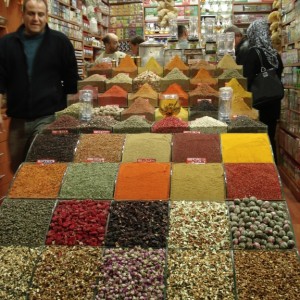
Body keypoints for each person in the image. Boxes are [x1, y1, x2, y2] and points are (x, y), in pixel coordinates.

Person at [0, 0, 79, 173]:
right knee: (18, 169)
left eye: (40, 14)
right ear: (23, 14)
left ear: (47, 16)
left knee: (43, 165)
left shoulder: (60, 42)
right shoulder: (6, 44)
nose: (36, 18)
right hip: (18, 120)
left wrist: (69, 115)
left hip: (49, 117)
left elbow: (72, 81)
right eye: (31, 13)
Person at [243, 19, 284, 160]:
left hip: (259, 102)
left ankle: (261, 164)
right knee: (270, 135)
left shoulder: (254, 53)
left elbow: (246, 79)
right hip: (274, 101)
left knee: (258, 136)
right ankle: (273, 166)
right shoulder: (275, 54)